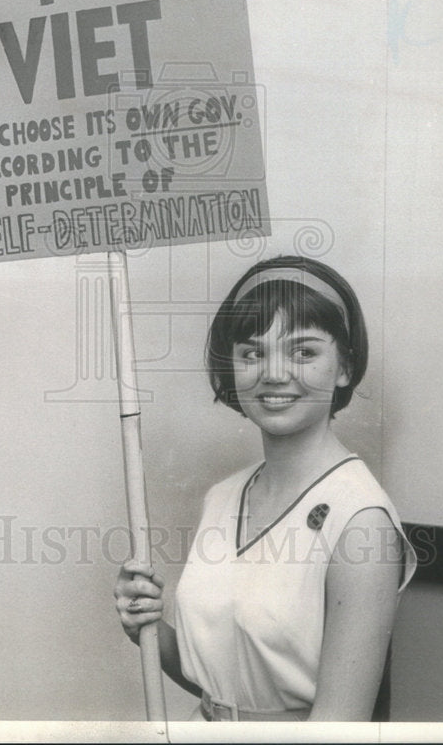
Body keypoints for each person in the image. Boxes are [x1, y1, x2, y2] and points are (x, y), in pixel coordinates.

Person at [114, 255, 416, 722]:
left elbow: (338, 728)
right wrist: (151, 628)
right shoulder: (223, 497)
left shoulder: (360, 522)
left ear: (344, 367)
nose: (273, 374)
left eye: (303, 351)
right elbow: (226, 691)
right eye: (252, 353)